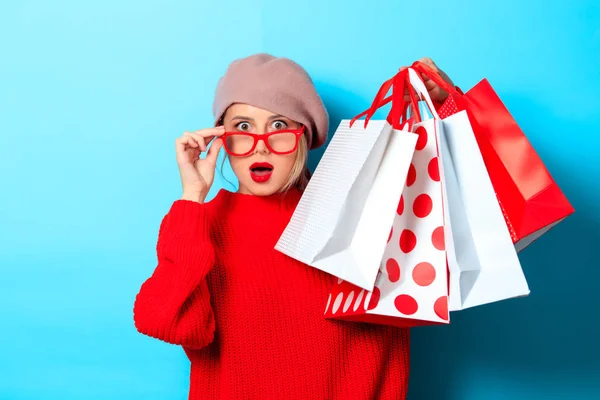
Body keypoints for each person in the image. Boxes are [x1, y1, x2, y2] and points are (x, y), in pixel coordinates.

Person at [133, 53, 455, 400]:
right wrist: (192, 198)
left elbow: (470, 211)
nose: (262, 147)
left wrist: (445, 105)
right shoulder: (200, 224)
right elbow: (163, 320)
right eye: (242, 127)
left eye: (278, 126)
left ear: (303, 136)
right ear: (220, 139)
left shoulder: (365, 209)